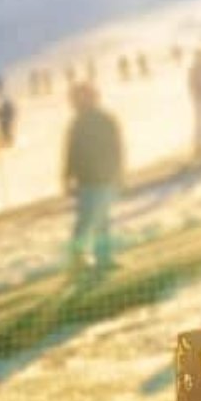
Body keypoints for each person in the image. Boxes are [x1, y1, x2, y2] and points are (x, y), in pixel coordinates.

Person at [62, 81, 123, 273]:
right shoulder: (79, 123)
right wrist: (67, 177)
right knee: (87, 219)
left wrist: (118, 172)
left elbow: (116, 148)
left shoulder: (103, 119)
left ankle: (102, 257)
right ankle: (80, 259)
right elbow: (71, 153)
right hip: (88, 179)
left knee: (101, 219)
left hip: (102, 177)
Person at [0, 76, 17, 148]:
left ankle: (8, 143)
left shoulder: (6, 101)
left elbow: (8, 111)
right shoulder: (5, 100)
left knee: (5, 130)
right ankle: (6, 142)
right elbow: (1, 112)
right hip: (5, 119)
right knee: (4, 130)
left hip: (6, 119)